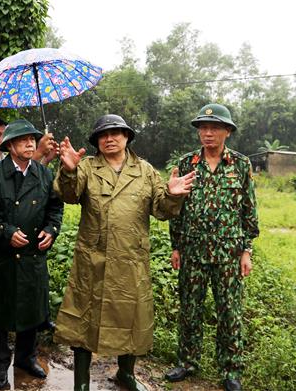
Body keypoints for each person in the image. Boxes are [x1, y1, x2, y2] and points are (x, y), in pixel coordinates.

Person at [54, 114, 195, 391]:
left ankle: (126, 374)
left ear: (127, 136)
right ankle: (81, 383)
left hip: (131, 259)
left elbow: (161, 210)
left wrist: (173, 194)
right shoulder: (86, 168)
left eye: (116, 133)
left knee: (131, 318)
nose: (109, 138)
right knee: (83, 319)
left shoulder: (145, 171)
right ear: (96, 142)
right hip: (92, 260)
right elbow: (69, 195)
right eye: (103, 135)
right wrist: (68, 170)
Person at [165, 104, 259, 391]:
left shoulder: (241, 165)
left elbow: (248, 211)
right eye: (203, 128)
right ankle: (187, 362)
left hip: (229, 255)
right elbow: (177, 208)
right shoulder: (186, 164)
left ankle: (231, 371)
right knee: (189, 310)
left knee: (229, 312)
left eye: (214, 127)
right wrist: (176, 246)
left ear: (227, 132)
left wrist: (246, 251)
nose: (207, 133)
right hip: (192, 252)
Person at [0, 119, 64, 389]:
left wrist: (51, 229)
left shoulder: (44, 174)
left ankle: (26, 358)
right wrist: (6, 232)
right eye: (23, 140)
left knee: (31, 309)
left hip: (32, 256)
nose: (30, 143)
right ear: (10, 145)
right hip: (3, 257)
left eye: (32, 139)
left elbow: (55, 208)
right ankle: (0, 363)